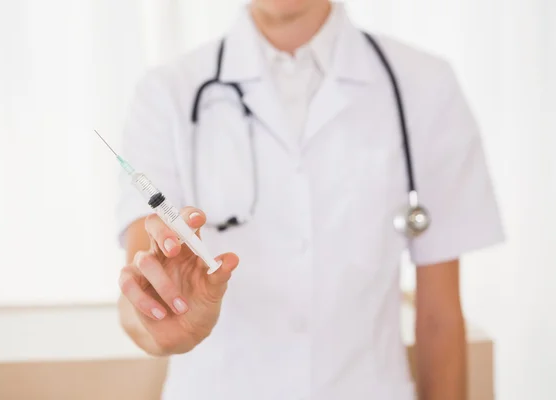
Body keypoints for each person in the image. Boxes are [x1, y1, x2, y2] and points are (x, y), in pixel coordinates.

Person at [115, 1, 504, 399]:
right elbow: (140, 293)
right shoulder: (165, 93)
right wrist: (162, 323)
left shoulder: (423, 85)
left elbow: (439, 317)